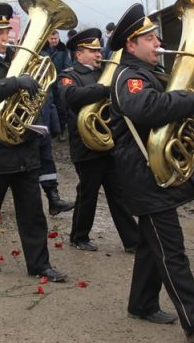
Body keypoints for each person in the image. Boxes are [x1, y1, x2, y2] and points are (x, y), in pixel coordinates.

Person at [108, 4, 194, 339]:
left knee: (153, 244)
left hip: (150, 171)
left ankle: (142, 303)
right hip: (143, 173)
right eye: (149, 38)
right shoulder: (129, 77)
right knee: (171, 249)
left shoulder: (148, 73)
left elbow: (167, 115)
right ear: (131, 46)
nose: (157, 42)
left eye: (154, 36)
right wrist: (192, 100)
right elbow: (146, 109)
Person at [0, 3, 67, 282]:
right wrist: (16, 82)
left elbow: (36, 95)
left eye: (6, 30)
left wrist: (35, 93)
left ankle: (39, 265)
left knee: (33, 212)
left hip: (24, 146)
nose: (4, 35)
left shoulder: (19, 57)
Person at [56, 28, 139, 252]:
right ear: (79, 53)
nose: (97, 54)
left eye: (98, 50)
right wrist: (102, 88)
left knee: (117, 192)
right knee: (88, 193)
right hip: (85, 143)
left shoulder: (103, 72)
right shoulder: (68, 75)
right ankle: (79, 236)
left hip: (108, 141)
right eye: (92, 51)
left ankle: (132, 240)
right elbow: (71, 97)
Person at [41, 30, 71, 141]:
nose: (53, 41)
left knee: (61, 108)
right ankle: (49, 131)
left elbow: (67, 67)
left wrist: (61, 80)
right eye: (51, 39)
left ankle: (61, 131)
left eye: (55, 39)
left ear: (59, 39)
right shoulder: (42, 50)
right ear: (48, 39)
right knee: (46, 108)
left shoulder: (63, 50)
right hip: (46, 84)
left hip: (58, 84)